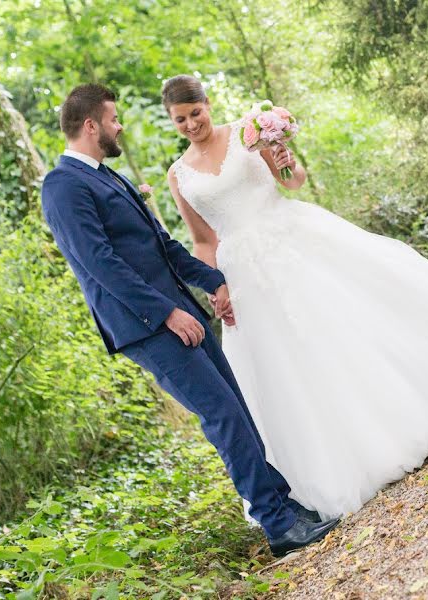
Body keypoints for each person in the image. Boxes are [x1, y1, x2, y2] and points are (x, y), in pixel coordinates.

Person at [163, 75, 428, 520]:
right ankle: (334, 458)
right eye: (181, 120)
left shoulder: (248, 133)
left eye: (196, 113)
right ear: (171, 121)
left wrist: (286, 161)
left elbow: (293, 182)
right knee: (285, 361)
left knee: (338, 323)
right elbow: (202, 239)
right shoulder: (179, 174)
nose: (191, 124)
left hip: (292, 238)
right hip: (243, 272)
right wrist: (216, 285)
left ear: (207, 104)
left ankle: (396, 413)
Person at [40, 83, 339, 557]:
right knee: (221, 416)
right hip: (148, 325)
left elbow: (164, 247)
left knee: (236, 408)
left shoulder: (107, 177)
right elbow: (99, 263)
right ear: (91, 125)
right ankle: (278, 525)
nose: (120, 127)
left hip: (179, 311)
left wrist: (212, 280)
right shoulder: (62, 186)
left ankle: (284, 504)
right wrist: (166, 313)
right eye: (114, 120)